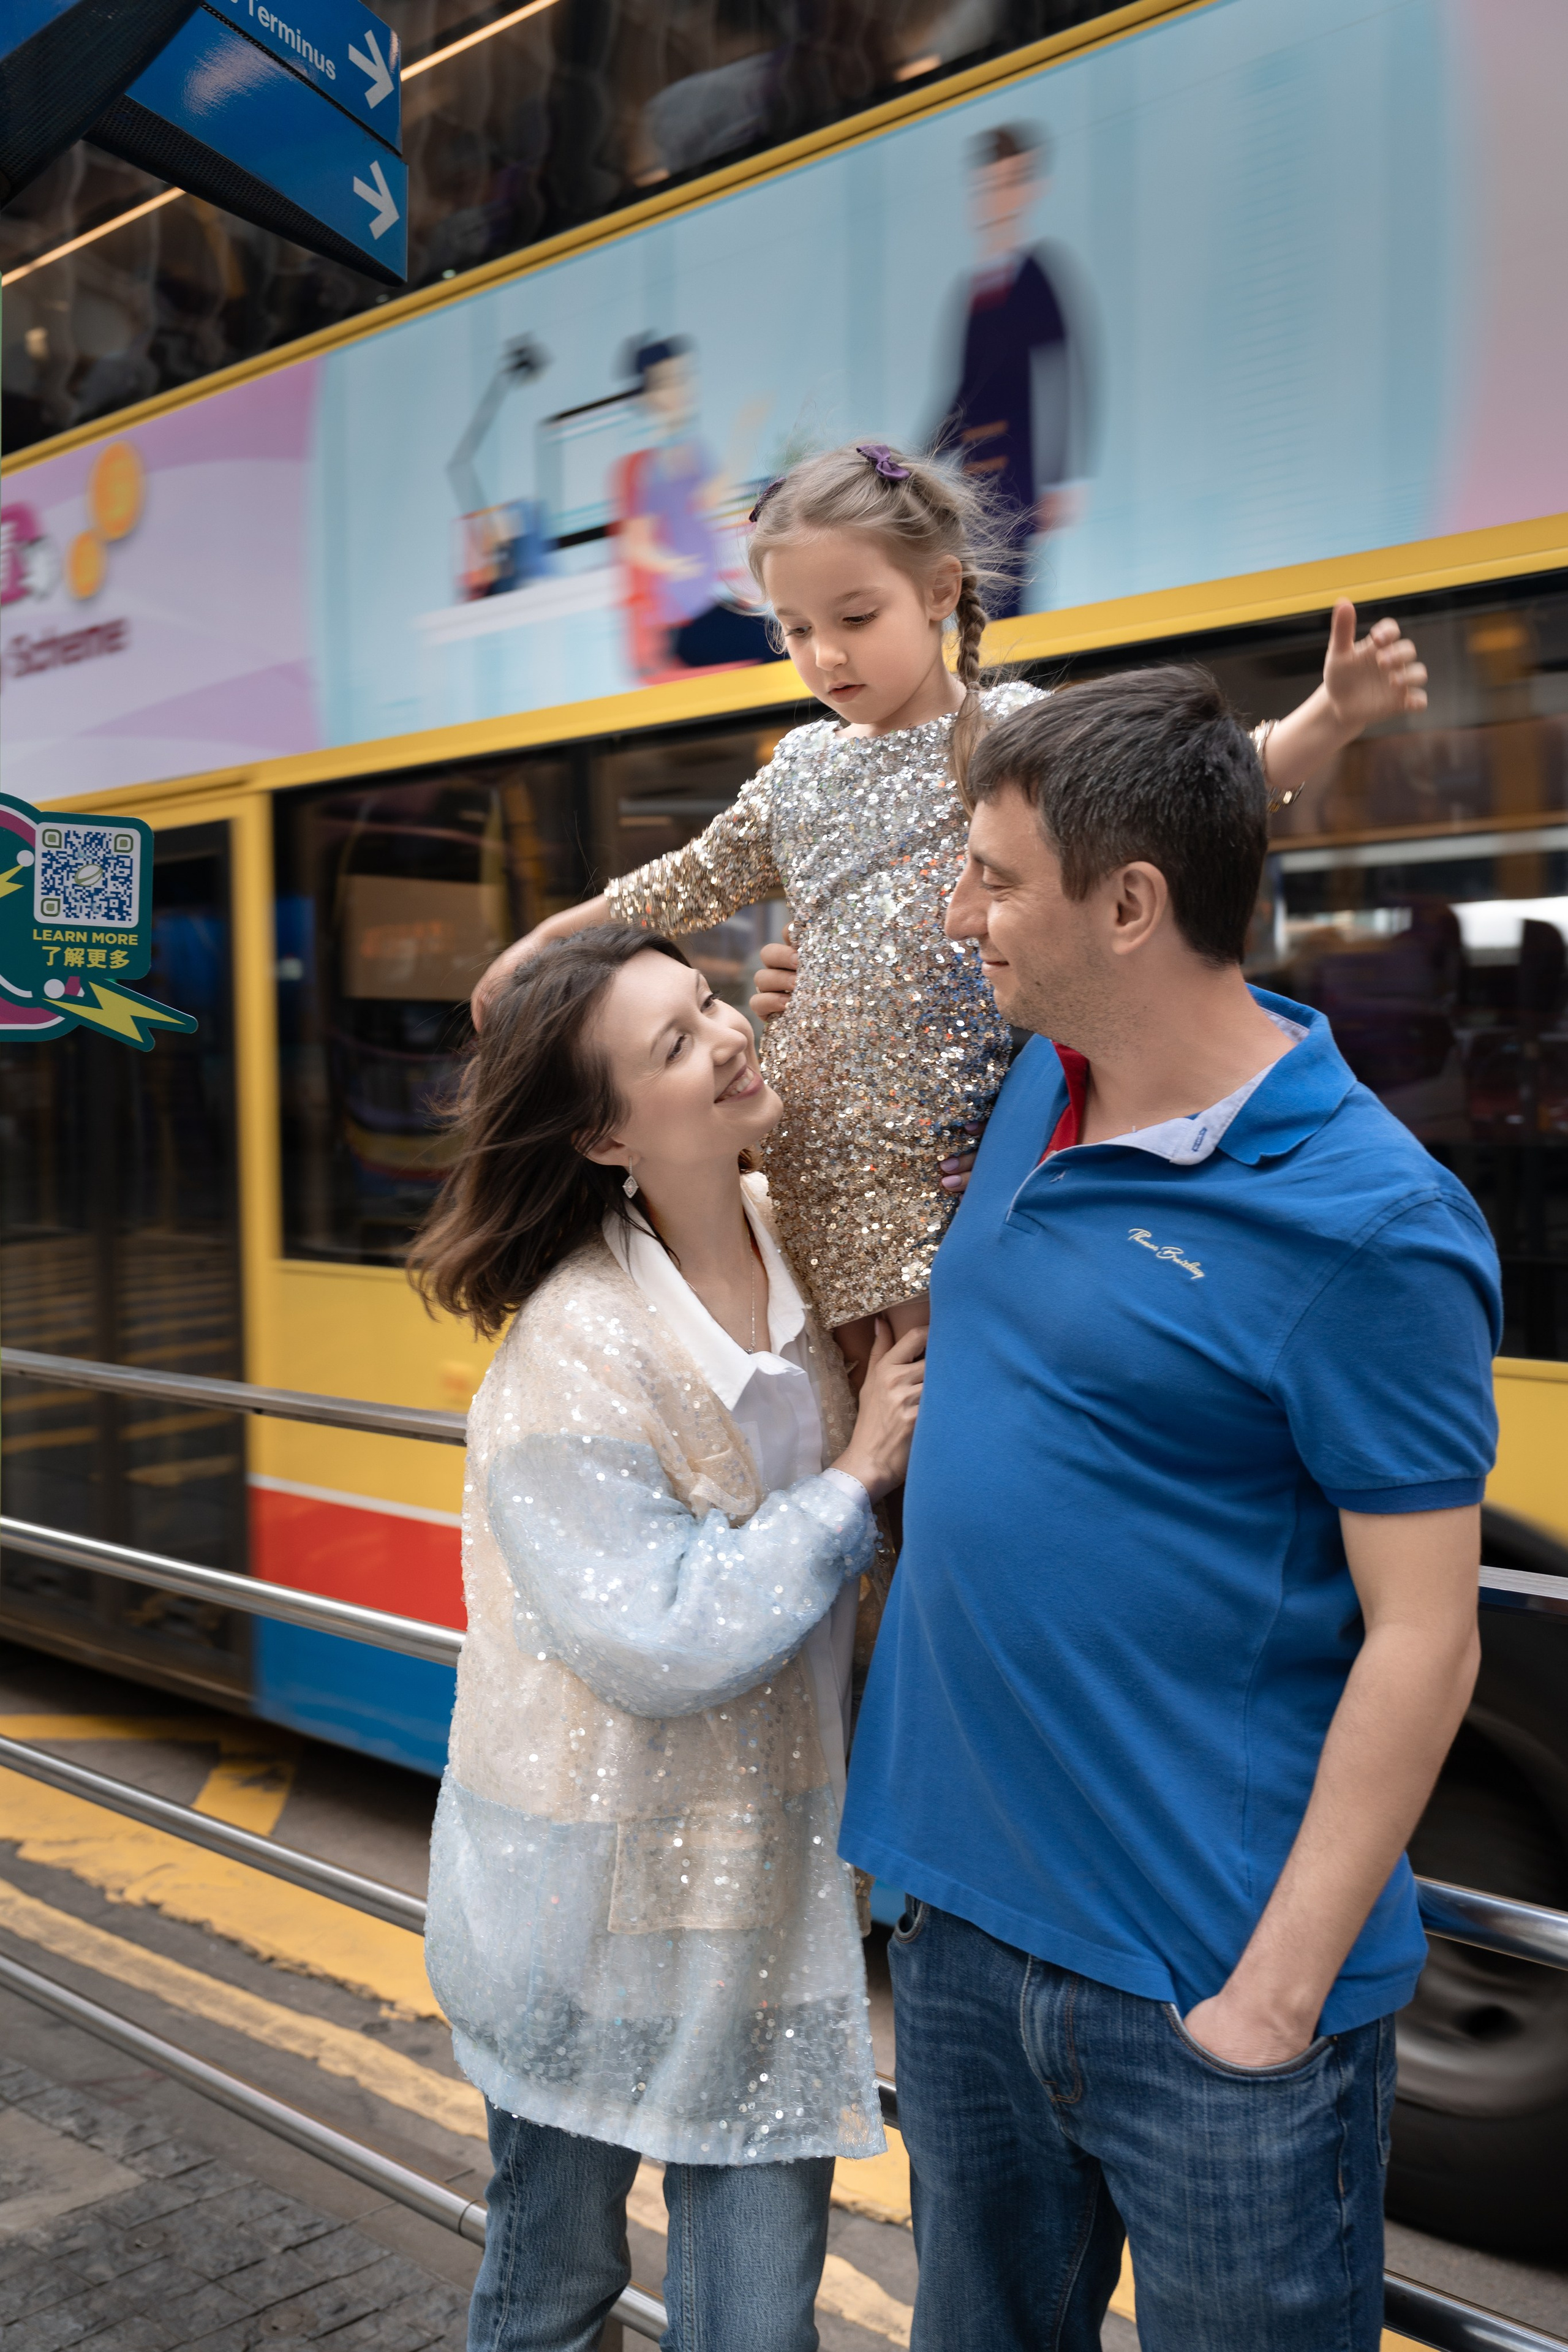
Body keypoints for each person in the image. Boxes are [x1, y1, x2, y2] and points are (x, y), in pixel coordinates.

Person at [834, 668, 1503, 2352]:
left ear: (1128, 907)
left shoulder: (1372, 1223)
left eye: (992, 873)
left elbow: (1428, 1638)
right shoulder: (1032, 1088)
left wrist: (1269, 2005)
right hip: (969, 1946)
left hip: (1206, 1996)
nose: (956, 907)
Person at [476, 440, 1427, 1377]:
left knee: (933, 1421)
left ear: (939, 591)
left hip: (948, 1180)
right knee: (851, 1439)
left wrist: (1330, 717)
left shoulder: (1009, 736)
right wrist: (547, 938)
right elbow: (689, 877)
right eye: (795, 630)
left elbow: (1197, 789)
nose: (826, 656)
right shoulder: (801, 767)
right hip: (805, 1178)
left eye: (855, 616)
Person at [409, 924, 925, 2352]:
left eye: (705, 1000)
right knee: (553, 2294)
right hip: (581, 1911)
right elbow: (653, 1632)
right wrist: (849, 1480)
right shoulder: (568, 1348)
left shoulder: (808, 1235)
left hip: (761, 1898)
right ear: (599, 1133)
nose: (722, 1036)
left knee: (755, 2325)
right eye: (675, 1043)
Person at [932, 123, 1095, 617]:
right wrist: (912, 462)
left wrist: (1063, 478)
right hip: (970, 483)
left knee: (1004, 603)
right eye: (988, 186)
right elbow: (962, 394)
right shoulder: (973, 289)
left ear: (1028, 189)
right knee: (970, 603)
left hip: (1015, 481)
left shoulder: (1037, 274)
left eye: (1009, 183)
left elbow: (1066, 375)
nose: (997, 198)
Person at [616, 335, 772, 679]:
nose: (679, 391)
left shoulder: (692, 449)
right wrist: (676, 565)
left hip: (710, 607)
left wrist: (746, 434)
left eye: (682, 379)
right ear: (648, 396)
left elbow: (711, 498)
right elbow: (635, 543)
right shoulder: (655, 465)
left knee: (783, 640)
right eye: (667, 383)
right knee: (780, 649)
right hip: (686, 622)